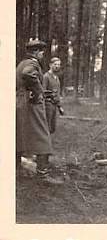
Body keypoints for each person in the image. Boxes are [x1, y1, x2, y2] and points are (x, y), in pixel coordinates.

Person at [16, 40, 63, 184]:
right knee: (43, 136)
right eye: (42, 51)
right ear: (36, 52)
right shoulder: (32, 64)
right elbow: (28, 74)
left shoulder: (22, 63)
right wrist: (38, 92)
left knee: (19, 136)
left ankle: (17, 170)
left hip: (20, 102)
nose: (43, 54)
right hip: (31, 104)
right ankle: (43, 175)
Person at [42, 57, 64, 134]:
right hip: (48, 104)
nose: (57, 66)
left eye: (58, 65)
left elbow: (57, 93)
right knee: (46, 126)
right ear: (50, 65)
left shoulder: (56, 78)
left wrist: (59, 106)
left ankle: (48, 143)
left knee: (52, 127)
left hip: (54, 105)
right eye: (55, 64)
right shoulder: (46, 76)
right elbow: (43, 91)